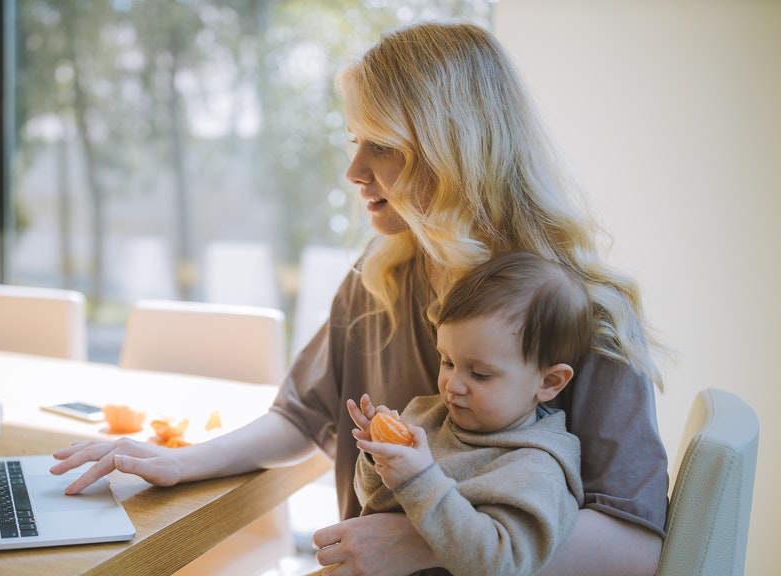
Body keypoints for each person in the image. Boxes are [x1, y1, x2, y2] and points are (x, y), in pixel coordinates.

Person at [50, 20, 669, 576]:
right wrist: (181, 461)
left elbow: (637, 547)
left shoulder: (587, 312)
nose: (354, 172)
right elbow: (301, 417)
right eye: (355, 142)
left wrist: (425, 541)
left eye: (385, 146)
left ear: (456, 153)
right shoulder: (380, 277)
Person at [347, 251, 591, 576]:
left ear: (549, 382)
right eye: (447, 362)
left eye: (479, 374)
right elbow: (374, 501)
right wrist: (379, 457)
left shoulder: (536, 470)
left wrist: (420, 481)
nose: (453, 385)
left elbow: (501, 564)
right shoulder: (426, 415)